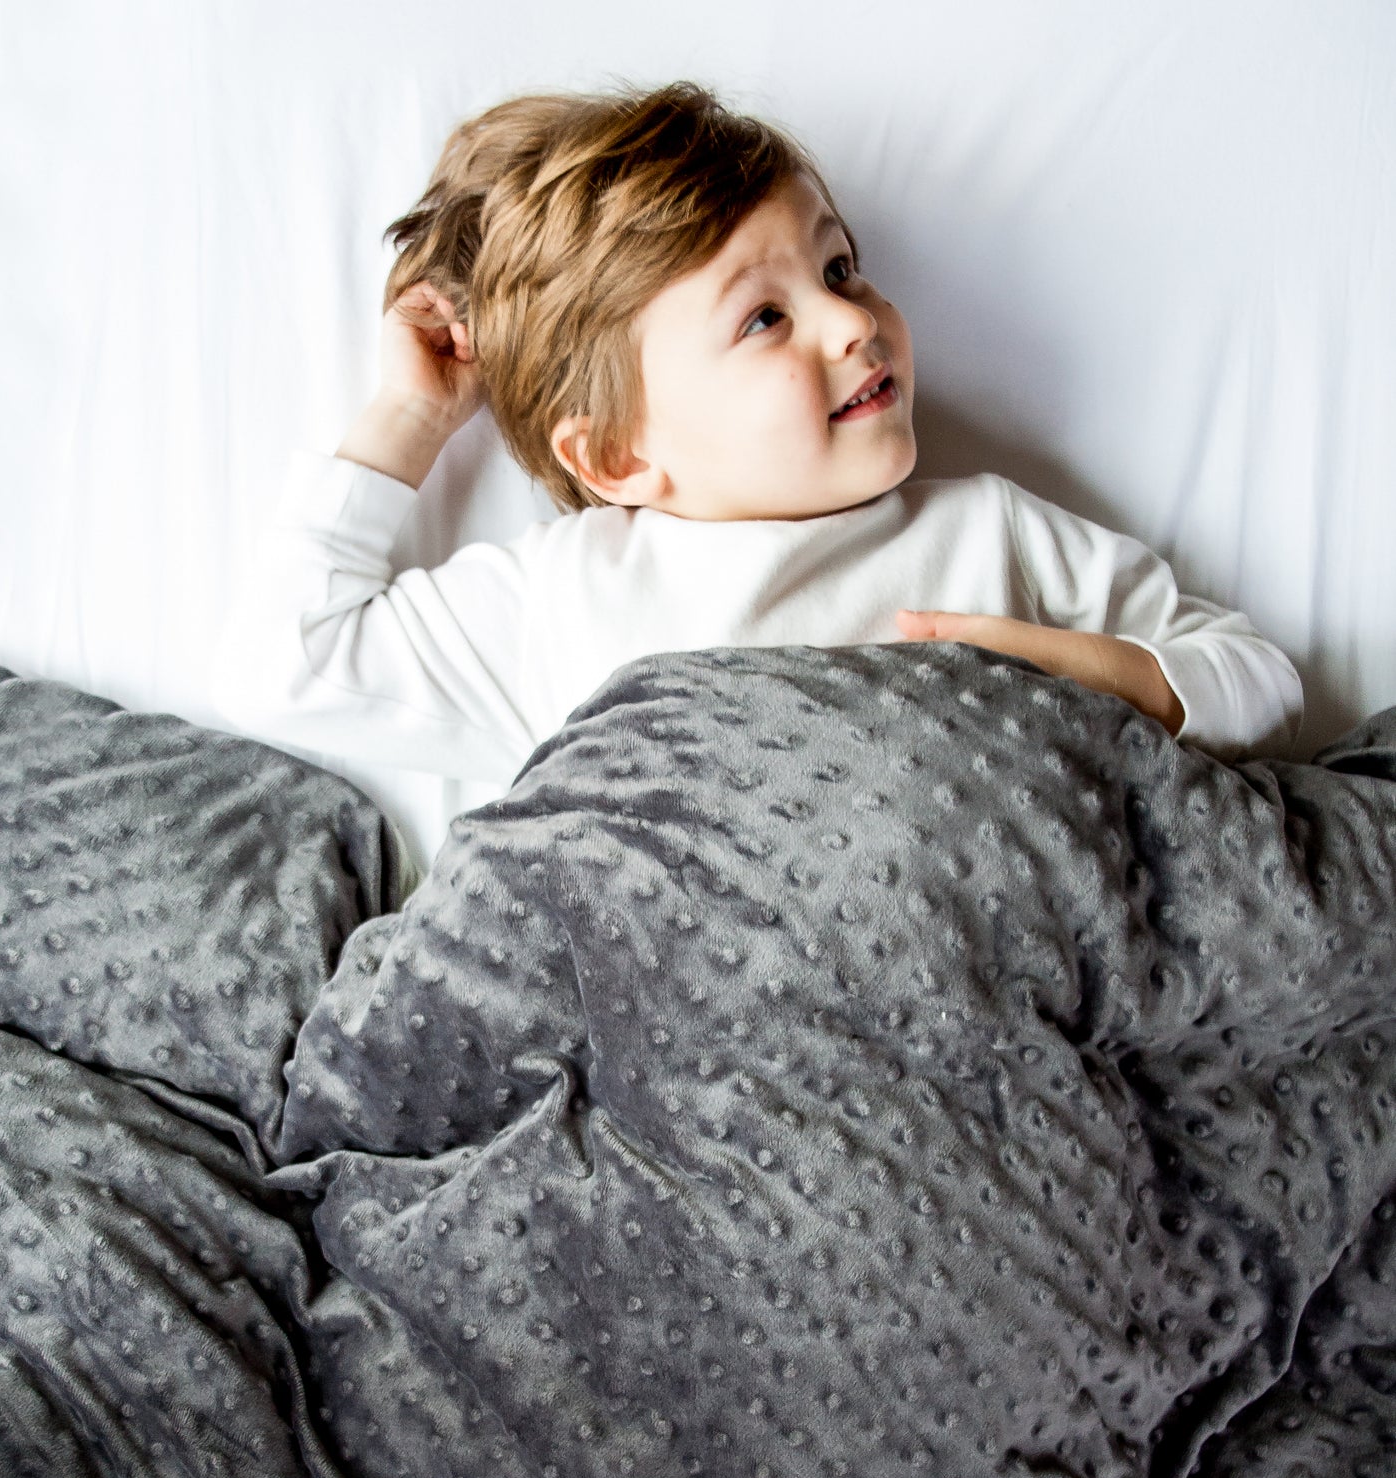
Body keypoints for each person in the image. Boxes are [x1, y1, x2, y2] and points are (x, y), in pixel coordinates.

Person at [211, 79, 1303, 879]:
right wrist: (412, 417)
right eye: (765, 317)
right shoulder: (562, 596)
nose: (852, 321)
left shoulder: (990, 536)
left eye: (839, 269)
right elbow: (288, 661)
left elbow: (1256, 679)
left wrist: (1096, 678)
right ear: (618, 456)